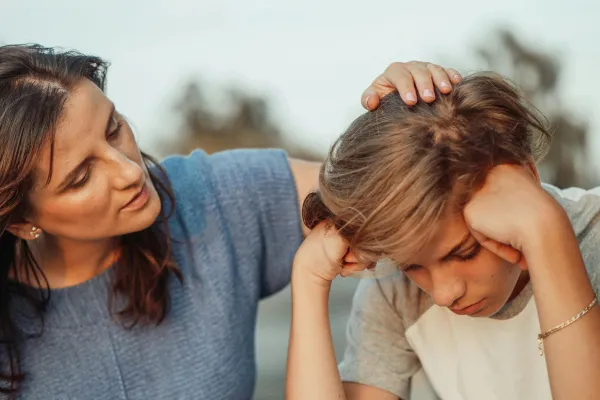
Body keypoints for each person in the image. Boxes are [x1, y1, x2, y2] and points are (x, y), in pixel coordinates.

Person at [0, 44, 460, 399]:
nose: (128, 171)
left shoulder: (214, 197)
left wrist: (414, 119)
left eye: (113, 128)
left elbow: (394, 187)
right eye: (81, 176)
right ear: (21, 220)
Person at [286, 73, 600, 400]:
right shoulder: (395, 292)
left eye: (463, 253)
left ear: (528, 179)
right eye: (411, 266)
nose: (443, 294)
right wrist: (308, 278)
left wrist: (547, 234)